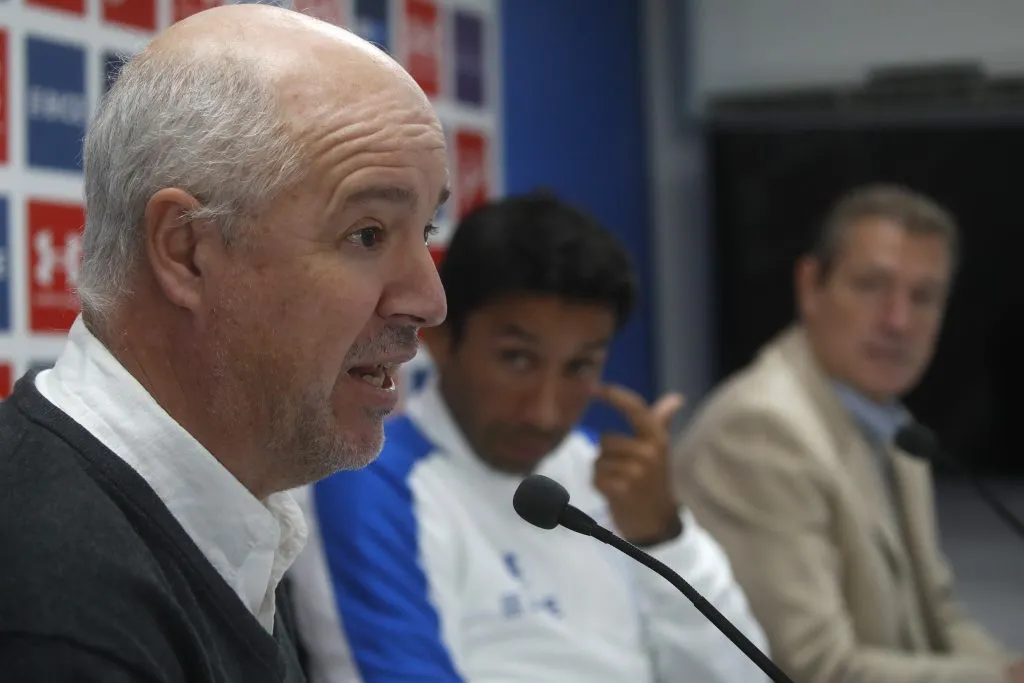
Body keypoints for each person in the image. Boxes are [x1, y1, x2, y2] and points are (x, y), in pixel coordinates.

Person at [0, 4, 447, 682]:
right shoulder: (55, 606)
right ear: (186, 250)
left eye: (427, 231)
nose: (428, 300)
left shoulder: (229, 517)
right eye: (368, 234)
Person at [287, 192, 770, 683]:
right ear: (439, 336)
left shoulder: (609, 479)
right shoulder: (364, 483)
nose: (544, 411)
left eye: (579, 367)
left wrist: (664, 538)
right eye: (517, 360)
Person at [673, 184, 1023, 683]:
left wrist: (1008, 668)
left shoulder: (891, 424)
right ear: (811, 286)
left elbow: (938, 618)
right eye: (871, 286)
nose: (898, 321)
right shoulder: (761, 431)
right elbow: (814, 670)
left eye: (923, 297)